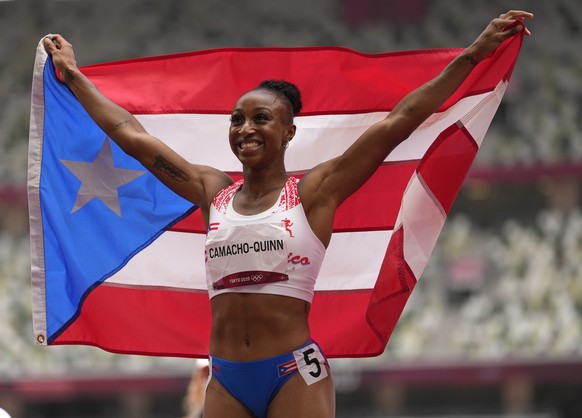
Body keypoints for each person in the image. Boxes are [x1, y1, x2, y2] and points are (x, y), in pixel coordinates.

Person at [44, 10, 532, 418]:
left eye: (261, 118)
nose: (245, 128)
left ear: (289, 132)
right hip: (227, 376)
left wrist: (473, 55)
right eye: (237, 119)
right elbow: (131, 135)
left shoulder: (317, 191)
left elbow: (400, 121)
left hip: (292, 374)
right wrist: (74, 75)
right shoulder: (210, 189)